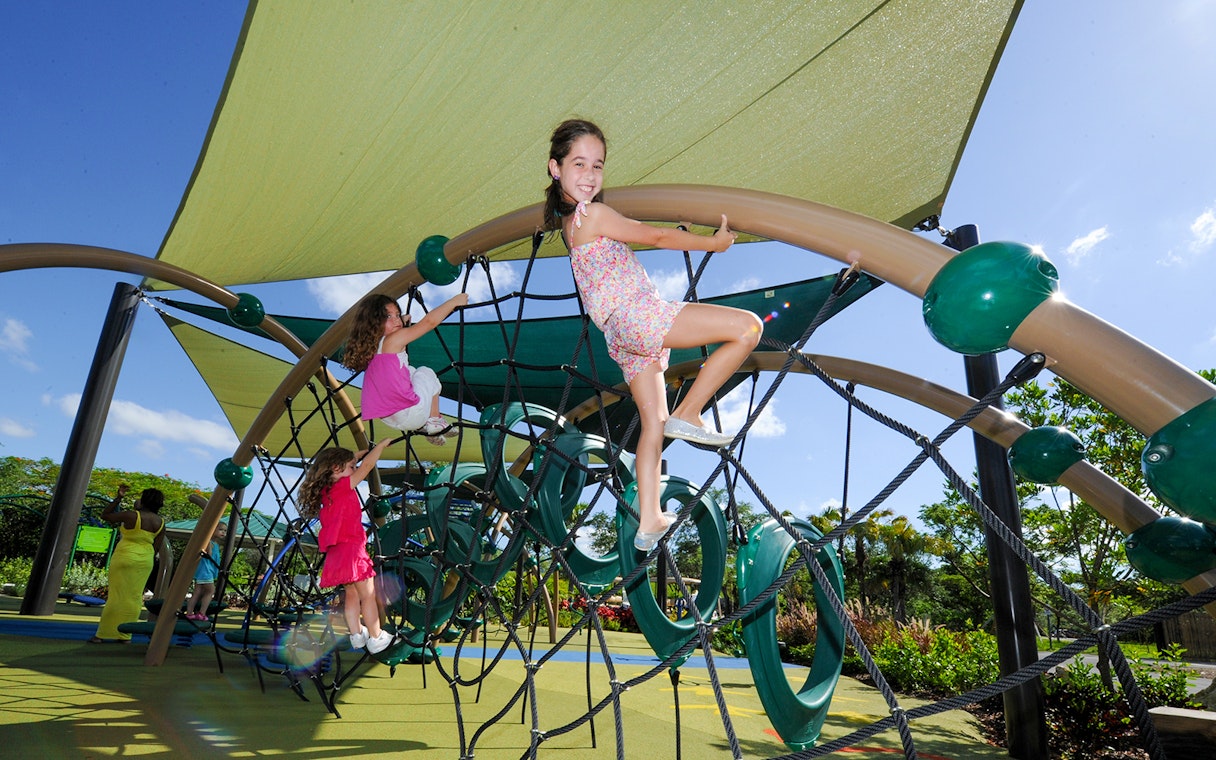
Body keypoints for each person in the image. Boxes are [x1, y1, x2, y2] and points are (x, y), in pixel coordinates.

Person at [543, 119, 762, 552]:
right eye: (578, 164)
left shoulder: (570, 224)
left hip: (620, 335)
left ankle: (649, 518)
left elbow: (636, 242)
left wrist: (679, 230)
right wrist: (712, 244)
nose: (589, 175)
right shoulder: (596, 214)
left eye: (598, 166)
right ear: (556, 168)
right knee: (748, 326)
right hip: (638, 316)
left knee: (652, 426)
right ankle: (693, 410)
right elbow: (655, 236)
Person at [298, 439, 396, 654]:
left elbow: (356, 461)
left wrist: (357, 454)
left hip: (337, 553)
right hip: (352, 550)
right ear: (336, 468)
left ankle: (356, 635)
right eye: (351, 467)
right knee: (368, 595)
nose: (354, 470)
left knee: (351, 594)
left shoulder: (326, 492)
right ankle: (377, 637)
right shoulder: (344, 485)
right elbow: (368, 466)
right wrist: (380, 447)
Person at [342, 292, 467, 445]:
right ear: (374, 322)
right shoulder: (394, 339)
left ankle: (424, 425)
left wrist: (401, 320)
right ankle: (435, 420)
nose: (396, 320)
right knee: (425, 371)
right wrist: (453, 302)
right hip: (411, 413)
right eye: (388, 316)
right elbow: (429, 322)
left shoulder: (372, 348)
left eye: (397, 314)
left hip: (391, 418)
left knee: (411, 371)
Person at [90, 485, 167, 643]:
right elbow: (156, 546)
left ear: (144, 500)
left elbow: (106, 515)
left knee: (116, 596)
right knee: (134, 597)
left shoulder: (131, 515)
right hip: (145, 560)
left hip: (125, 557)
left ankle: (102, 635)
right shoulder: (160, 522)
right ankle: (125, 635)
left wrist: (119, 497)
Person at [183, 524, 224, 621]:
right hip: (205, 571)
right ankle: (202, 613)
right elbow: (208, 554)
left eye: (225, 531)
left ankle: (189, 613)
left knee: (197, 592)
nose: (223, 532)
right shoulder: (208, 542)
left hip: (205, 571)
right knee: (210, 590)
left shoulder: (216, 544)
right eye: (221, 529)